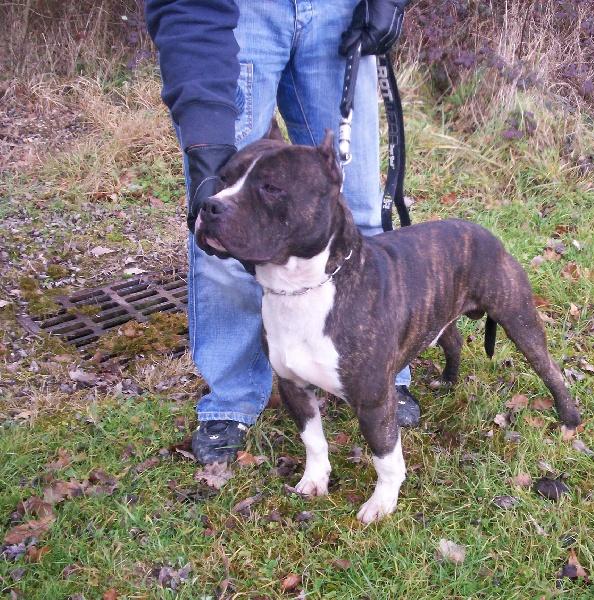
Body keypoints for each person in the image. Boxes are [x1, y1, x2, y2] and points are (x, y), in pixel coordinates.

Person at [145, 0, 418, 465]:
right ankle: (232, 397)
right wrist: (207, 150)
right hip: (238, 14)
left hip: (341, 11)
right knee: (229, 224)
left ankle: (381, 370)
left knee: (361, 213)